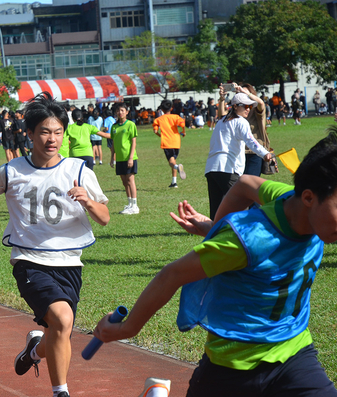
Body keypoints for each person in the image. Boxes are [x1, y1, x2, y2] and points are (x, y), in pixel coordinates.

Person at [95, 129, 337, 397]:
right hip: (232, 367)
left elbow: (245, 184)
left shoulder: (294, 200)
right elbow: (171, 275)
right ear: (308, 198)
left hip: (294, 354)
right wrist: (127, 328)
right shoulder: (247, 241)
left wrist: (214, 228)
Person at [0, 92, 109, 397]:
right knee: (63, 319)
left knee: (60, 332)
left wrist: (88, 201)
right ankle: (60, 392)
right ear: (30, 133)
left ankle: (34, 351)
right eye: (45, 132)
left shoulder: (78, 171)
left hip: (70, 263)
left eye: (58, 132)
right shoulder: (11, 172)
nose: (52, 139)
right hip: (29, 261)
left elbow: (104, 218)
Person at [205, 92, 272, 220]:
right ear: (235, 106)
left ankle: (213, 233)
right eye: (245, 106)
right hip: (227, 167)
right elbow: (251, 141)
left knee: (216, 208)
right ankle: (244, 231)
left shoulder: (221, 122)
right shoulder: (241, 122)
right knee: (242, 201)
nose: (248, 109)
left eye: (250, 107)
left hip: (211, 168)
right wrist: (265, 153)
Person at [97, 103, 139, 215]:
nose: (120, 112)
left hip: (129, 157)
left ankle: (135, 205)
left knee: (130, 181)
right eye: (118, 111)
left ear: (127, 112)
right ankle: (129, 204)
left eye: (122, 110)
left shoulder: (130, 124)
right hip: (119, 158)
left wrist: (130, 158)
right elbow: (114, 143)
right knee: (124, 182)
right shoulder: (114, 127)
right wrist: (112, 157)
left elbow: (133, 142)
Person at [153, 99, 186, 188]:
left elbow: (155, 131)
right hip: (176, 142)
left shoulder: (158, 119)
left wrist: (160, 135)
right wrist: (183, 132)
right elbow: (182, 124)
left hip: (167, 143)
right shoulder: (175, 117)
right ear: (171, 108)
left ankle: (177, 167)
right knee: (173, 160)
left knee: (171, 162)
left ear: (162, 109)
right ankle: (174, 182)